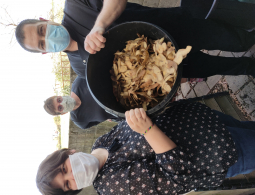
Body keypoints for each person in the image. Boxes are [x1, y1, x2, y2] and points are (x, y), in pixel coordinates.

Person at [36, 101, 255, 195]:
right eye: (67, 184)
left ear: (68, 153)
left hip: (203, 121)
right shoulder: (111, 187)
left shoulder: (99, 144)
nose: (73, 175)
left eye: (65, 169)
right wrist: (148, 129)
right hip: (217, 151)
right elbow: (176, 177)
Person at [15, 0, 255, 79]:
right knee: (219, 68)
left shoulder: (76, 5)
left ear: (44, 20)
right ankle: (249, 67)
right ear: (45, 52)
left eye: (41, 30)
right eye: (42, 43)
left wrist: (99, 26)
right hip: (169, 67)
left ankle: (247, 41)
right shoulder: (81, 67)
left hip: (173, 27)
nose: (47, 38)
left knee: (235, 41)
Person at [44, 77, 118, 129]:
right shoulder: (78, 119)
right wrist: (106, 117)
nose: (64, 103)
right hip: (123, 113)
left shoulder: (79, 83)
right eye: (60, 107)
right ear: (63, 113)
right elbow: (90, 124)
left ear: (60, 96)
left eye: (59, 100)